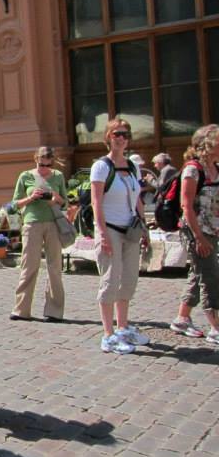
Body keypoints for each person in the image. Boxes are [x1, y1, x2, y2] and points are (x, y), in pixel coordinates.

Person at [91, 118, 149, 355]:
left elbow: (137, 200)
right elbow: (96, 202)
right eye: (116, 134)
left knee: (128, 280)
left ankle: (123, 327)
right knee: (110, 281)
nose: (121, 138)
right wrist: (102, 233)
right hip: (111, 229)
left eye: (125, 134)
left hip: (131, 230)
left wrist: (144, 226)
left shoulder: (133, 166)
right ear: (108, 137)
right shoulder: (101, 166)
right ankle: (108, 335)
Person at [171, 125, 219, 343]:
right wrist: (198, 237)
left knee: (197, 274)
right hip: (196, 232)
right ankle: (215, 328)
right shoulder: (193, 169)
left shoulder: (215, 167)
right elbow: (187, 206)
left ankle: (182, 318)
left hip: (213, 229)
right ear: (208, 144)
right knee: (209, 278)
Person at [10, 146, 67, 322]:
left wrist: (56, 198)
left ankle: (54, 311)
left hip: (53, 223)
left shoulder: (58, 176)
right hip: (31, 223)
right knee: (28, 266)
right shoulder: (25, 176)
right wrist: (31, 197)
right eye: (41, 164)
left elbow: (64, 203)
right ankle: (21, 310)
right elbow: (14, 205)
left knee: (54, 267)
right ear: (35, 160)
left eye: (47, 165)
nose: (43, 168)